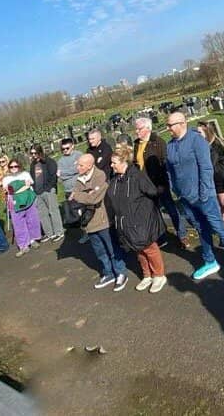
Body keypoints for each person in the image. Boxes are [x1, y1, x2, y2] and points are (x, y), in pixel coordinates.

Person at [166, 111, 224, 287]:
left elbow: (206, 168)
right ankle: (210, 261)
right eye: (167, 125)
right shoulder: (170, 145)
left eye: (170, 125)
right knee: (201, 229)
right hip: (186, 198)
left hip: (203, 197)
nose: (167, 128)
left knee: (219, 229)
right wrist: (176, 190)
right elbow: (170, 170)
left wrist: (204, 193)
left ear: (182, 124)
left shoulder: (196, 140)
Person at [106, 143, 167, 293]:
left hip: (141, 220)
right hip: (125, 222)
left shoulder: (137, 176)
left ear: (124, 162)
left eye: (114, 162)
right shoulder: (115, 180)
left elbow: (152, 192)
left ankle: (159, 275)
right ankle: (147, 275)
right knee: (137, 249)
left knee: (149, 248)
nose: (111, 165)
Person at [69, 153, 128, 291]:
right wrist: (85, 195)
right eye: (78, 165)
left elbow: (94, 199)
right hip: (89, 224)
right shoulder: (79, 180)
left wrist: (78, 195)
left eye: (81, 165)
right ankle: (108, 273)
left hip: (103, 221)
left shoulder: (100, 176)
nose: (78, 167)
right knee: (100, 251)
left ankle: (120, 273)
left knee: (112, 249)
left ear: (90, 165)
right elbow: (74, 199)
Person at [133, 116, 190, 247]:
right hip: (145, 185)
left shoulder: (158, 142)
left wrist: (162, 183)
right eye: (136, 129)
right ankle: (161, 236)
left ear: (148, 128)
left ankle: (182, 235)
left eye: (139, 129)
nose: (136, 131)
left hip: (159, 183)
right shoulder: (137, 143)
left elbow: (165, 162)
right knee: (154, 212)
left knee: (171, 209)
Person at [1, 159, 42, 257]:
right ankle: (23, 245)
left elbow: (29, 184)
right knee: (18, 224)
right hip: (15, 202)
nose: (14, 169)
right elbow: (7, 190)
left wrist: (19, 188)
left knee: (32, 220)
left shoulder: (25, 174)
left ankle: (33, 239)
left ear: (19, 166)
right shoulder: (6, 178)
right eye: (11, 167)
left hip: (28, 199)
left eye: (16, 166)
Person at [29, 144, 64, 243]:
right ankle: (49, 233)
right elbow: (33, 177)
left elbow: (53, 176)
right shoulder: (33, 164)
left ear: (40, 152)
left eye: (35, 153)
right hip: (37, 192)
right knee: (42, 214)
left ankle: (59, 232)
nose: (34, 155)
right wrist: (35, 189)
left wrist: (48, 188)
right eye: (32, 153)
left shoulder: (49, 161)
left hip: (48, 190)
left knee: (53, 211)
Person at [57, 138, 86, 242]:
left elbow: (80, 169)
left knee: (84, 211)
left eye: (67, 148)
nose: (65, 150)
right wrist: (72, 171)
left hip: (80, 188)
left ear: (72, 146)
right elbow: (60, 178)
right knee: (75, 213)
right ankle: (83, 232)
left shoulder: (79, 155)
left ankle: (88, 231)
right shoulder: (60, 161)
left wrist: (65, 173)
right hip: (68, 190)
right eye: (63, 149)